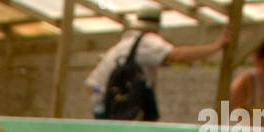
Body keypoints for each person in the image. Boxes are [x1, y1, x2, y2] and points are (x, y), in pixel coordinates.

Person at [85, 5, 231, 121]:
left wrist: (106, 98)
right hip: (125, 115)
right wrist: (216, 47)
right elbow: (177, 55)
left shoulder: (121, 46)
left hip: (105, 112)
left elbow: (92, 86)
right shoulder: (147, 42)